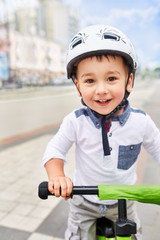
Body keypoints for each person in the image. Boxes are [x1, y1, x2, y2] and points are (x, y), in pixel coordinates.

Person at [42, 24, 160, 240]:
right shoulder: (75, 121)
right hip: (84, 202)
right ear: (78, 86)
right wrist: (57, 176)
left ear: (129, 81)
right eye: (90, 81)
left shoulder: (141, 121)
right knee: (77, 237)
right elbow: (54, 149)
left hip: (124, 200)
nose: (101, 89)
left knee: (135, 236)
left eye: (111, 78)